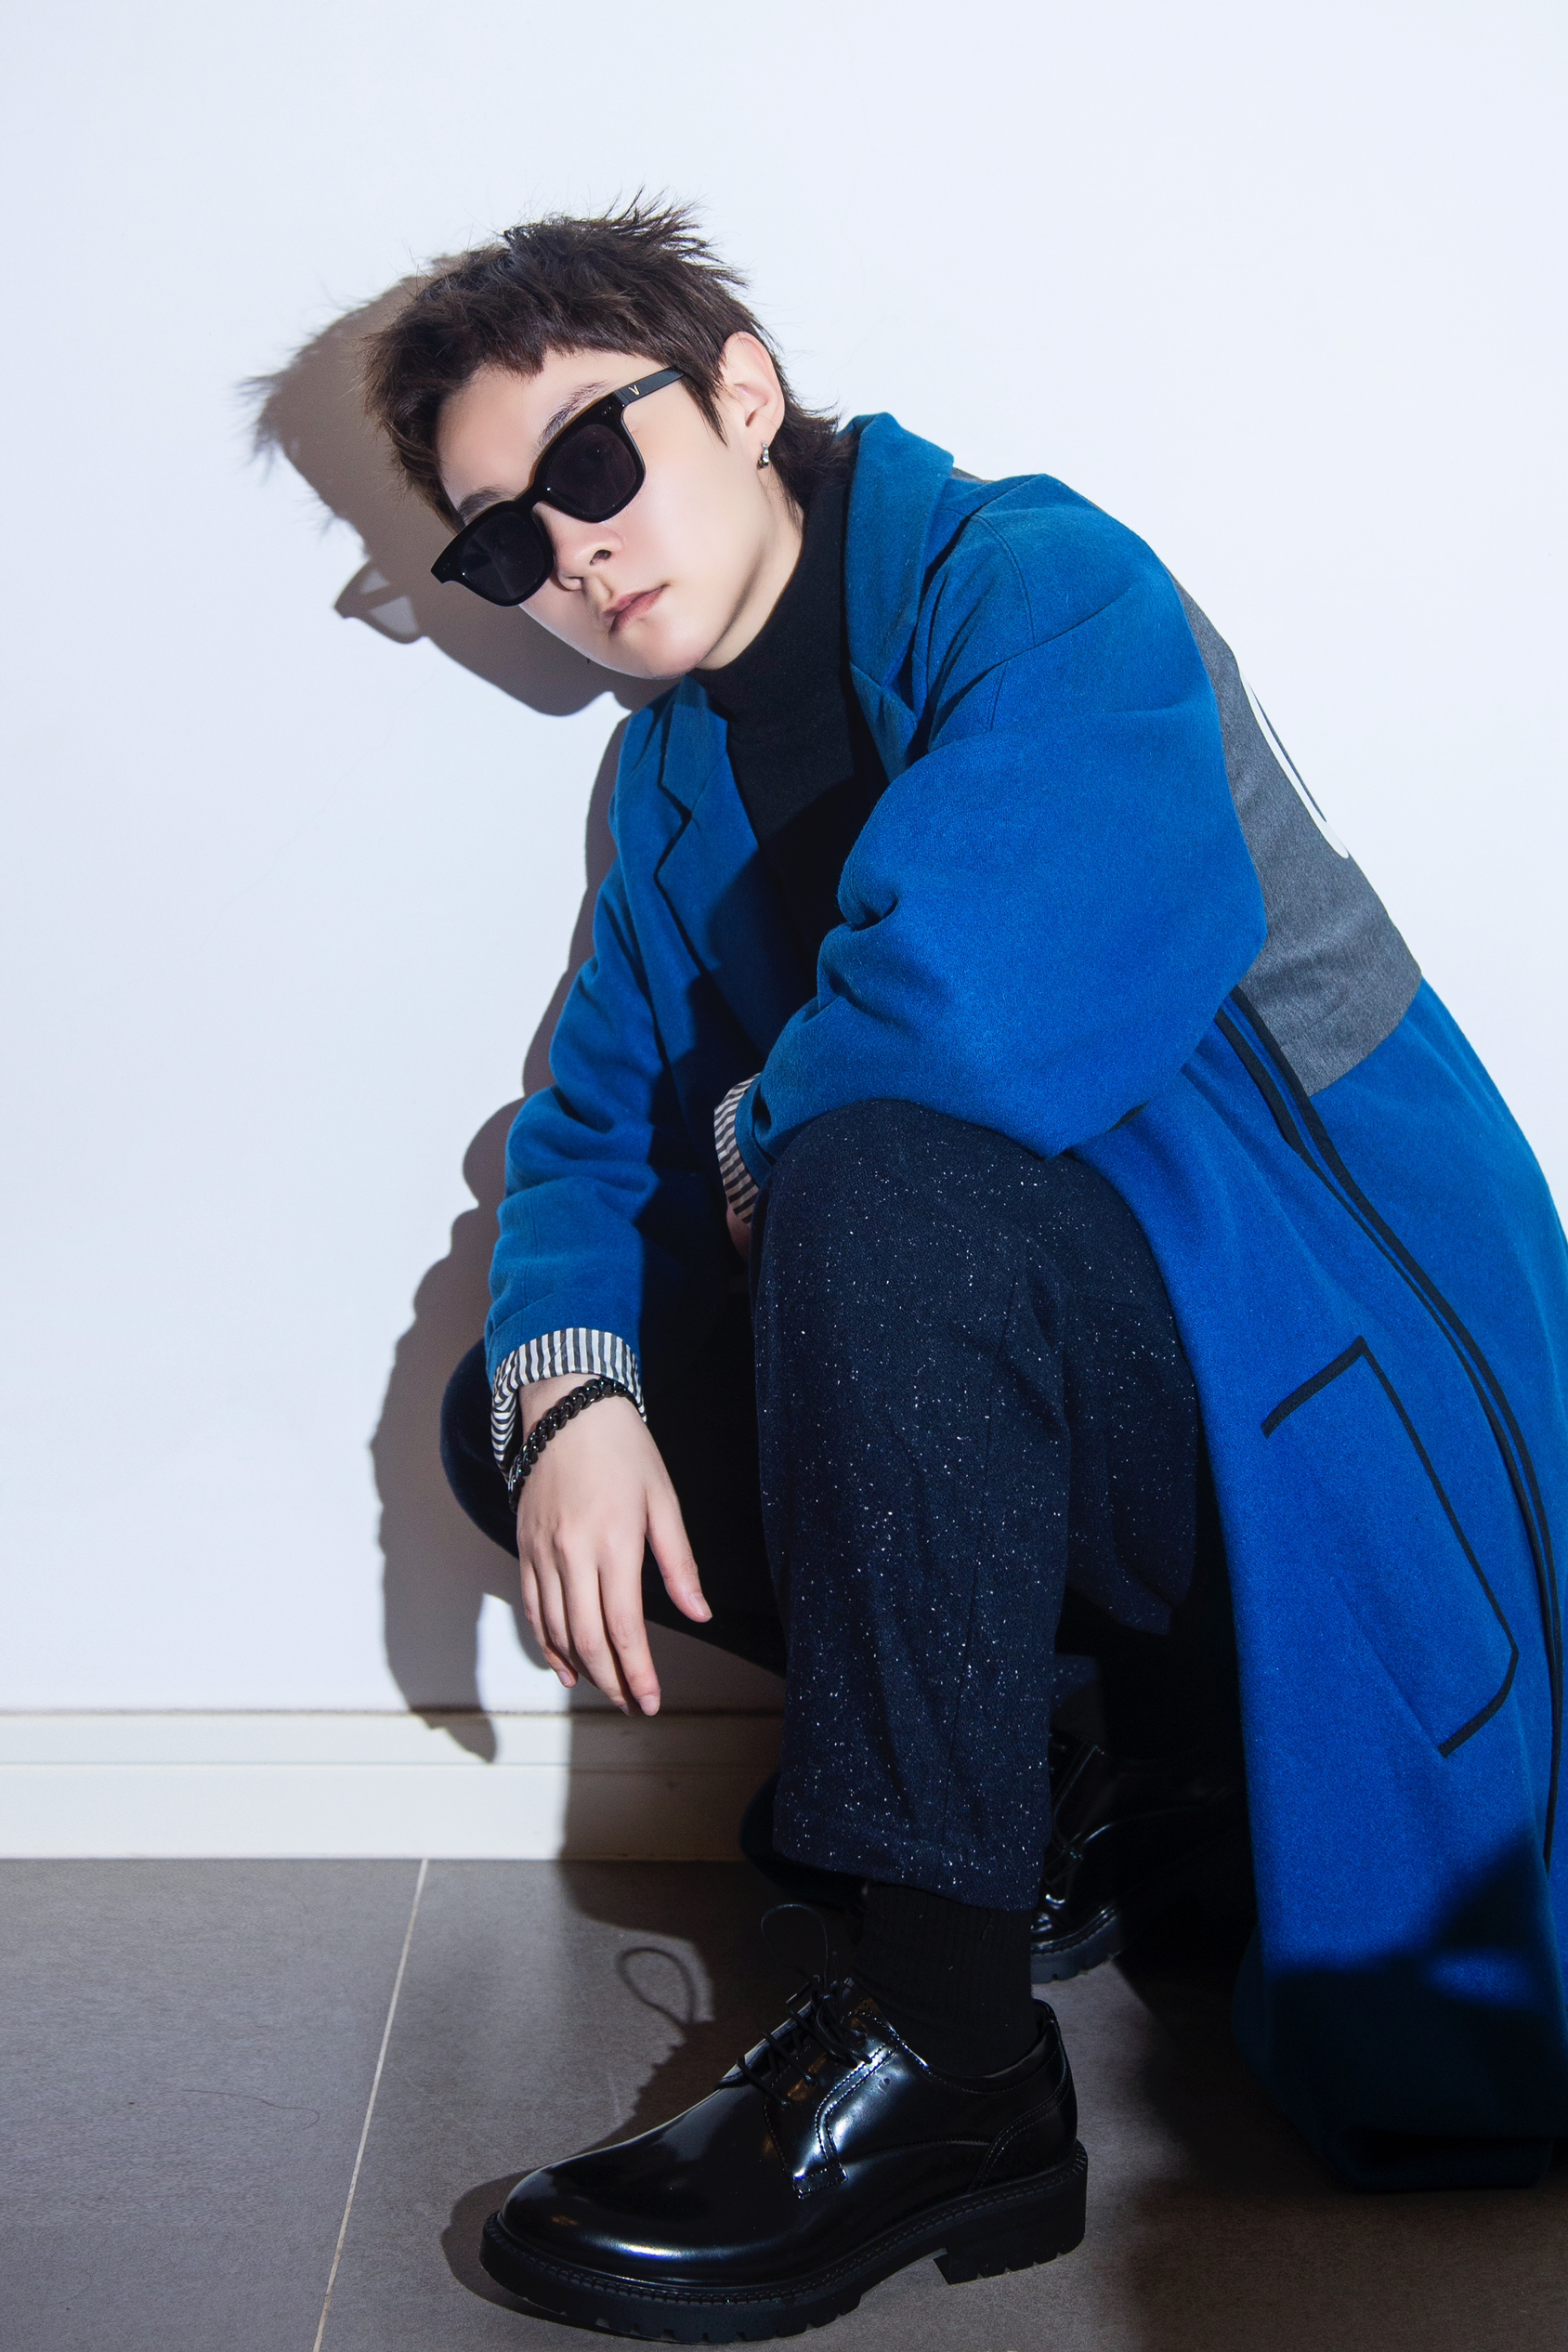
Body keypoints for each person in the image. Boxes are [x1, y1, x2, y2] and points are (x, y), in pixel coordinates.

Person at [364, 204, 1568, 2337]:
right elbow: (585, 1134)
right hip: (1089, 1377)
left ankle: (944, 2065)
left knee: (875, 1181)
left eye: (591, 462)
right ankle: (1099, 1777)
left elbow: (982, 1021)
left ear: (742, 393)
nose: (569, 555)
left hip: (1320, 1374)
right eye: (499, 543)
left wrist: (749, 1158)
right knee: (521, 1413)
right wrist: (575, 1392)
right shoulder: (669, 786)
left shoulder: (1034, 581)